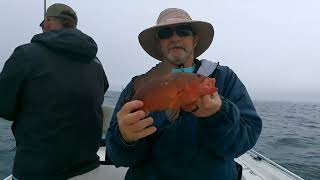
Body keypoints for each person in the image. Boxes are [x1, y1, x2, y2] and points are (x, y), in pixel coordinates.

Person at [106, 8, 262, 180]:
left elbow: (247, 137)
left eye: (183, 31)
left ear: (195, 40)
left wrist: (219, 115)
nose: (174, 38)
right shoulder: (138, 86)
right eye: (165, 33)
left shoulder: (223, 78)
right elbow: (119, 157)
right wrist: (125, 138)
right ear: (159, 43)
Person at [0, 3, 108, 180]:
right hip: (87, 166)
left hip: (37, 169)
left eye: (42, 24)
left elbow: (4, 107)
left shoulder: (26, 54)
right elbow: (100, 91)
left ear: (48, 23)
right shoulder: (96, 62)